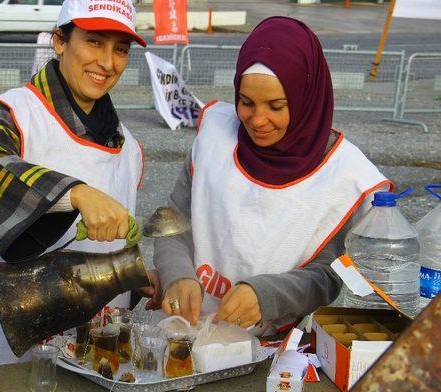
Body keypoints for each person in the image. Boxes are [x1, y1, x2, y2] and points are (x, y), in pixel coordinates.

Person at [0, 0, 151, 363]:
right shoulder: (9, 112)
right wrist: (75, 193)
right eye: (94, 42)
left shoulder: (129, 148)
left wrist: (133, 279)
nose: (107, 63)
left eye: (120, 49)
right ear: (60, 41)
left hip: (87, 352)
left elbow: (103, 248)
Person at [154, 17, 391, 334]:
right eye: (246, 102)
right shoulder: (215, 136)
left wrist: (266, 296)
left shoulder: (346, 177)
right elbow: (174, 217)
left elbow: (333, 274)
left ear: (307, 99)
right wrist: (177, 274)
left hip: (278, 351)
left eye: (277, 106)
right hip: (193, 331)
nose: (257, 120)